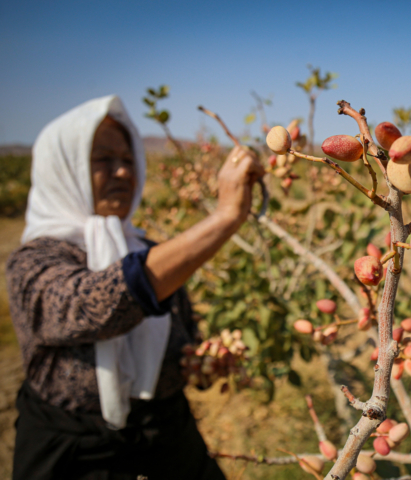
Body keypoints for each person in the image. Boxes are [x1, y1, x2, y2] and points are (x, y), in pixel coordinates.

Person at [6, 95, 265, 479]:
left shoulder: (150, 252)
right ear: (63, 169)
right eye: (103, 160)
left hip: (166, 437)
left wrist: (196, 363)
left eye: (129, 161)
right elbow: (95, 305)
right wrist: (224, 218)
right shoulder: (33, 262)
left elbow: (180, 336)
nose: (124, 173)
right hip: (74, 455)